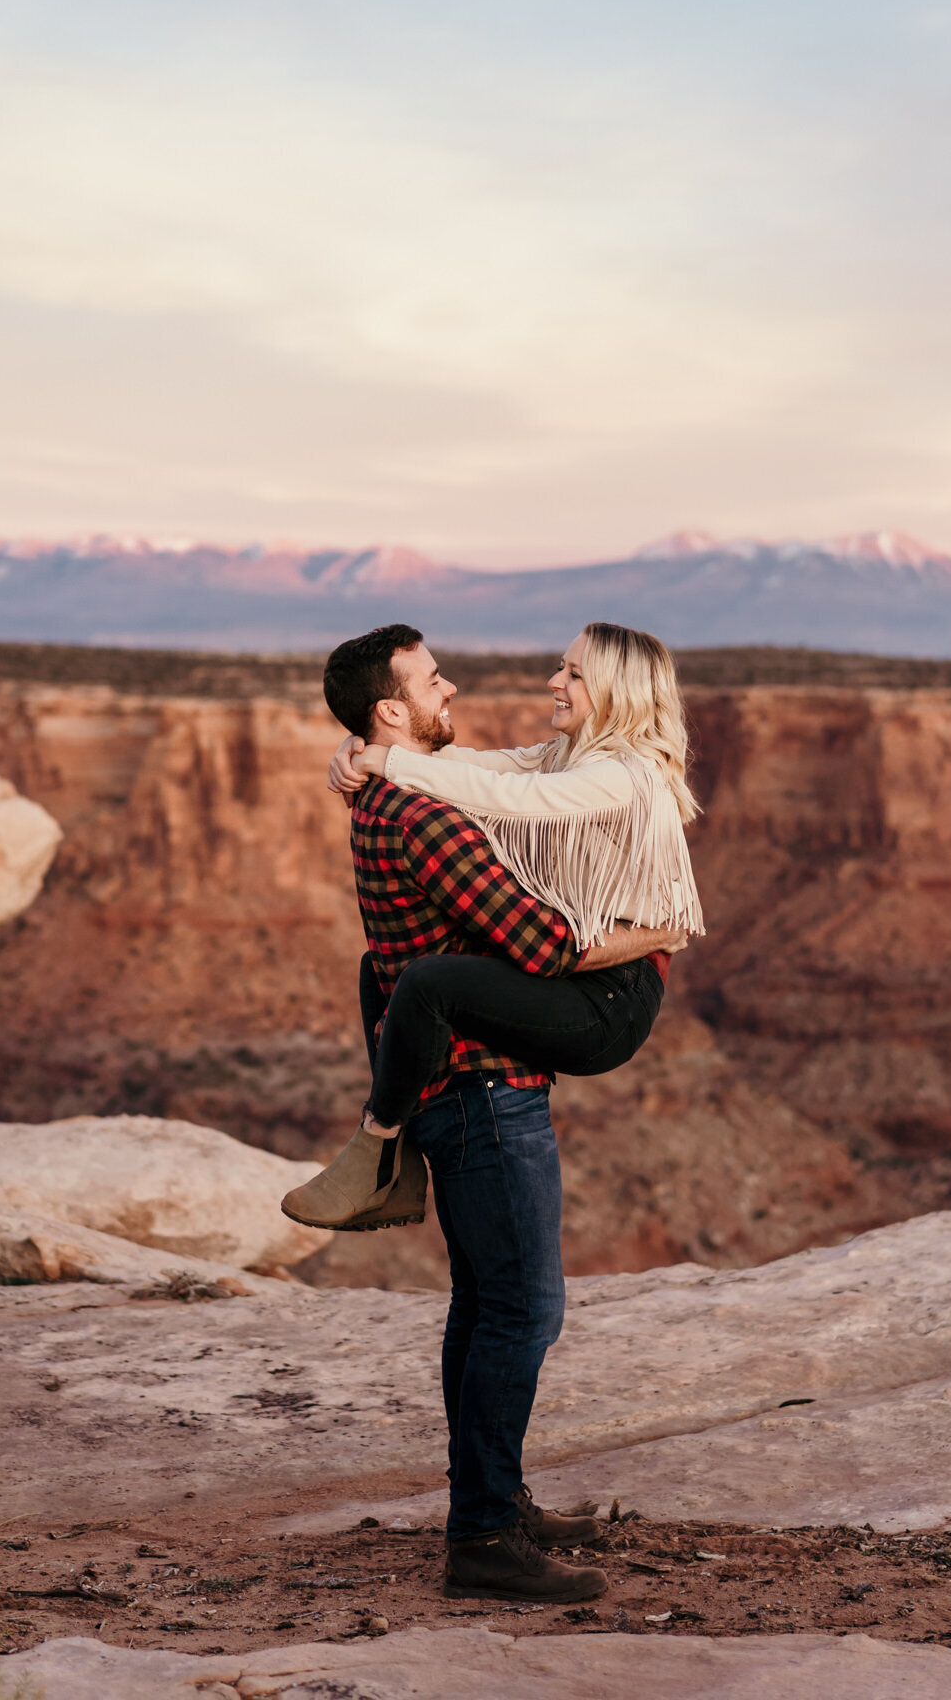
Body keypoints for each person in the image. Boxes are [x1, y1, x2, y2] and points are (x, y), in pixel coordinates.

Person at [281, 624, 687, 1605]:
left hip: (463, 1087)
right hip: (484, 1094)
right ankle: (486, 1540)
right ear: (393, 709)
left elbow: (499, 772)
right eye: (431, 681)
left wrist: (373, 761)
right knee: (523, 1310)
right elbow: (540, 938)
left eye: (572, 671)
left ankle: (493, 1499)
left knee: (484, 1306)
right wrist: (647, 936)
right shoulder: (429, 818)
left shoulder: (401, 789)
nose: (451, 686)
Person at [284, 619, 703, 1231]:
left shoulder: (622, 775)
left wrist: (386, 758)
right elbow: (476, 764)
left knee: (427, 986)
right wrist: (361, 749)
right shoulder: (566, 755)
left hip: (615, 992)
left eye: (575, 674)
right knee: (382, 974)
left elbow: (507, 798)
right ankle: (395, 1163)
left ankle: (376, 1144)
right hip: (589, 970)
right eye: (563, 666)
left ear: (617, 691)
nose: (554, 680)